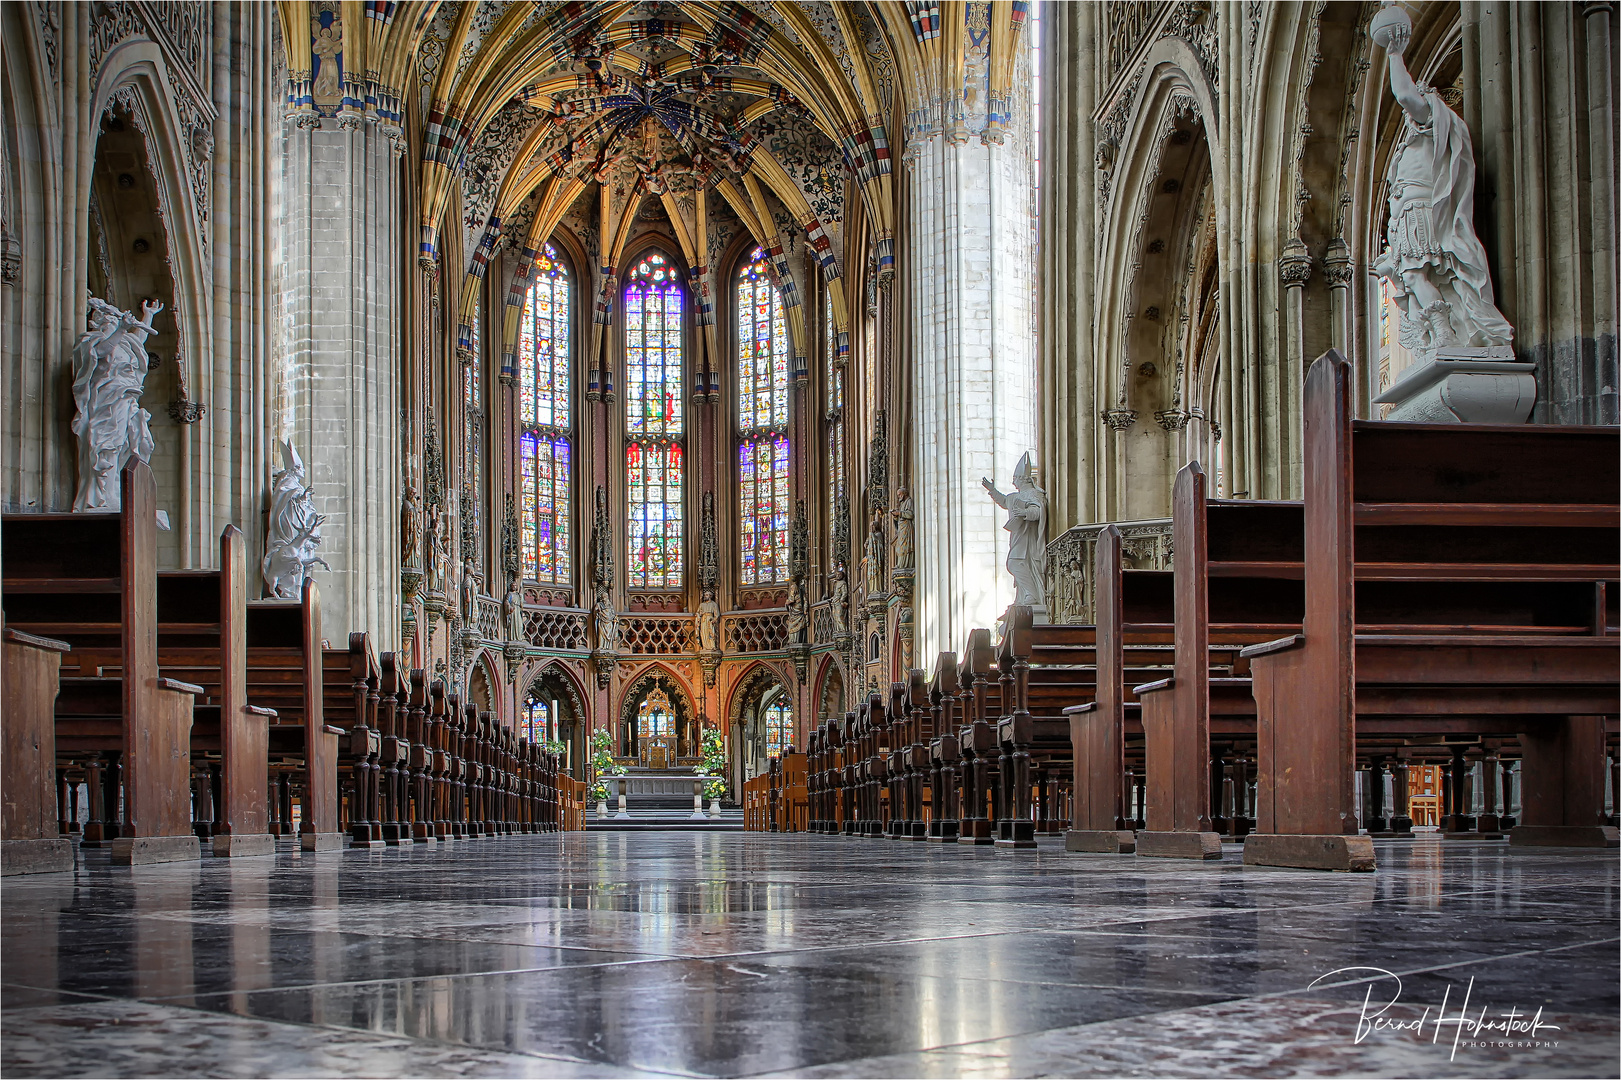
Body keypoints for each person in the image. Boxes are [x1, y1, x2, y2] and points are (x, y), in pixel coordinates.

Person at [1370, 1, 1512, 363]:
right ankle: (1436, 335)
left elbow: (1404, 94)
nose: (1409, 113)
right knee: (1411, 278)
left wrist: (1395, 55)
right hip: (1407, 216)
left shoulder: (1434, 122)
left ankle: (1444, 331)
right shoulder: (1410, 143)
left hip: (1421, 210)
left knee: (1416, 276)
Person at [981, 453, 1047, 611]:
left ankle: (1032, 594)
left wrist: (1024, 513)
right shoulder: (1015, 496)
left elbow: (1038, 511)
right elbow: (1004, 501)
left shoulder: (1033, 494)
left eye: (1015, 478)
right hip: (1019, 535)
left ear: (1023, 479)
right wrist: (992, 490)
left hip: (1028, 539)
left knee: (1015, 563)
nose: (1013, 482)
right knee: (1015, 562)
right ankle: (1026, 595)